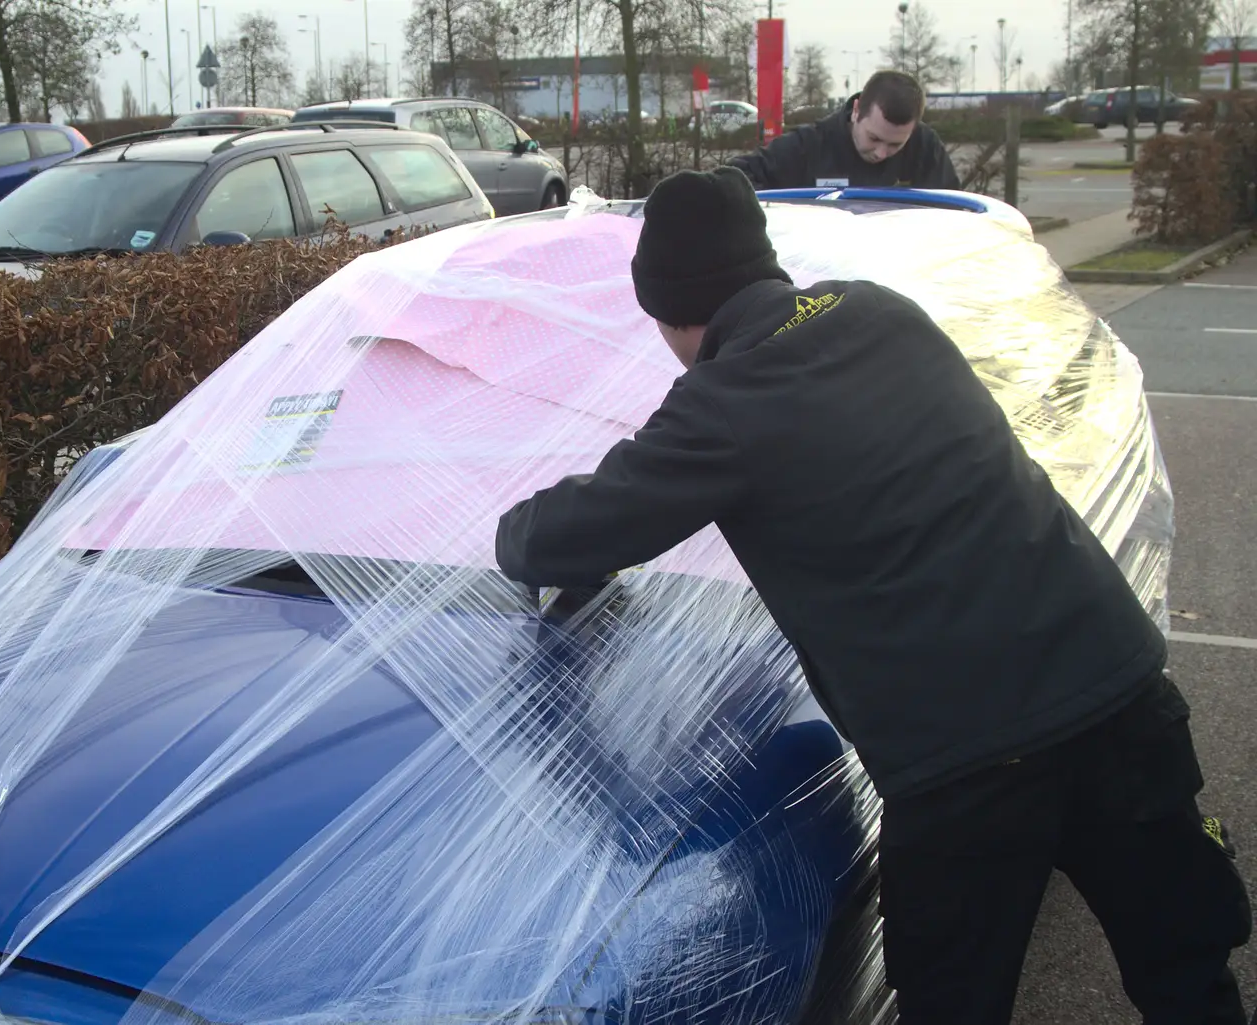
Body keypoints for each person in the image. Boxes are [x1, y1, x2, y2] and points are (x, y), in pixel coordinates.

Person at [493, 167, 1251, 1024]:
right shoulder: (882, 311)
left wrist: (505, 535)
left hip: (969, 764)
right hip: (1114, 688)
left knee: (950, 1002)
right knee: (1187, 972)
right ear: (765, 266)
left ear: (666, 313)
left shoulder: (722, 406)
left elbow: (573, 530)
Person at [727, 70, 961, 190]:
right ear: (857, 111)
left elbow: (953, 212)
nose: (880, 153)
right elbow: (734, 178)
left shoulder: (925, 147)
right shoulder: (808, 146)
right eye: (874, 138)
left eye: (895, 145)